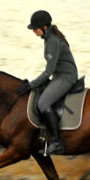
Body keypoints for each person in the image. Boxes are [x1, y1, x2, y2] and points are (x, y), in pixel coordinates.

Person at [17, 10, 78, 155]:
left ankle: (57, 141)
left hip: (65, 77)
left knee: (43, 103)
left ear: (44, 27)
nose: (34, 32)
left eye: (35, 29)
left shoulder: (52, 41)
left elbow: (48, 71)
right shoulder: (49, 38)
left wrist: (31, 84)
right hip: (59, 76)